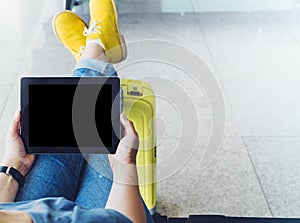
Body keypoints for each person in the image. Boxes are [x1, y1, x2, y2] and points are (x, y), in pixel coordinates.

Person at [0, 0, 154, 222]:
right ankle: (96, 50)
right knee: (96, 128)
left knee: (62, 128)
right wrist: (125, 166)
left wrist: (13, 166)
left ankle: (92, 55)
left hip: (16, 209)